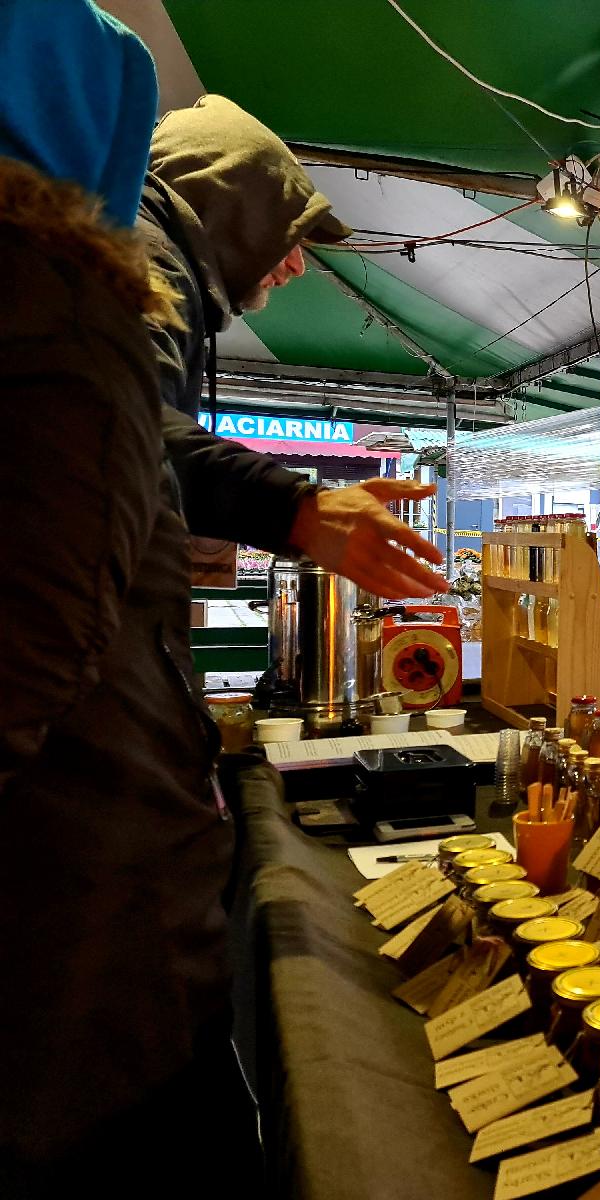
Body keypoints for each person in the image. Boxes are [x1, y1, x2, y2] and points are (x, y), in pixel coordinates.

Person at [0, 5, 265, 1193]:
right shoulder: (56, 317)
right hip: (81, 952)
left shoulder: (54, 318)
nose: (298, 267)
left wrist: (153, 529)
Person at [141, 93, 446, 598]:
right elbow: (124, 425)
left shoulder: (156, 265)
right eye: (288, 233)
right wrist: (301, 511)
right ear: (234, 209)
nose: (299, 265)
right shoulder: (145, 262)